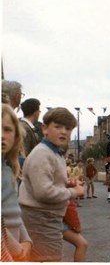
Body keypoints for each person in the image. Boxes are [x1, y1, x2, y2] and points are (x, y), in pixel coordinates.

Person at [18, 107, 84, 262]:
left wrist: (66, 183)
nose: (63, 132)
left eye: (68, 128)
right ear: (45, 128)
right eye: (58, 126)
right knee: (50, 260)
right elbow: (43, 192)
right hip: (40, 219)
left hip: (46, 217)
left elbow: (45, 182)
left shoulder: (54, 152)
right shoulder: (43, 154)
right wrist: (74, 192)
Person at [1, 104, 32, 261]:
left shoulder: (8, 168)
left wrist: (26, 240)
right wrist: (18, 251)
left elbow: (14, 212)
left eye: (7, 129)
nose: (2, 135)